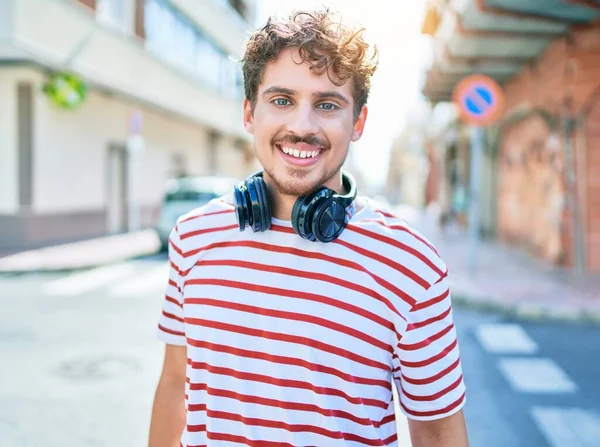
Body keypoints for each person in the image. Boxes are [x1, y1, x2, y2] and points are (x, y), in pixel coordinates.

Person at [148, 8, 468, 447]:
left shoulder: (411, 265)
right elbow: (174, 386)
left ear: (358, 122)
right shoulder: (192, 236)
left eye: (327, 104)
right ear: (249, 113)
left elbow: (439, 433)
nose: (301, 126)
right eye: (282, 100)